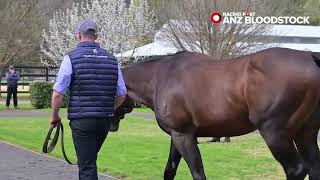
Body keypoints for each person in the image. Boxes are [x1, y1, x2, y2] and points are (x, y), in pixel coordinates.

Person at [50, 20, 127, 180]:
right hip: (103, 122)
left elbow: (58, 94)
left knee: (87, 167)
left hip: (82, 120)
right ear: (96, 36)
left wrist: (54, 117)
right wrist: (109, 109)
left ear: (79, 36)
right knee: (89, 161)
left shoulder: (71, 58)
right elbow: (122, 93)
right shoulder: (112, 59)